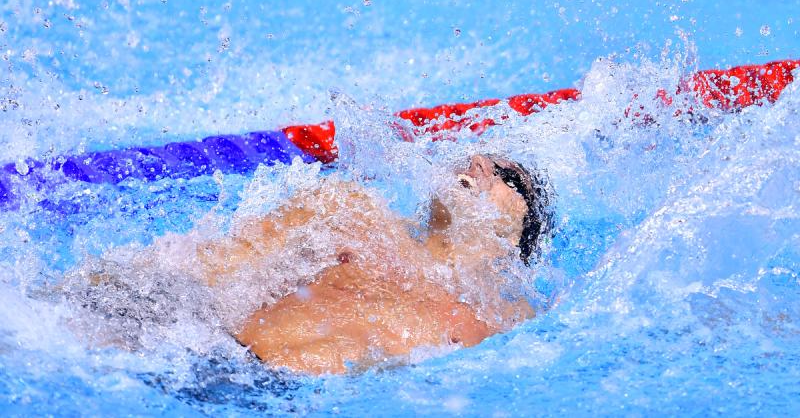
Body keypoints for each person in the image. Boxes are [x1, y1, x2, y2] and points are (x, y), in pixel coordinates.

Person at [68, 154, 555, 375]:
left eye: (505, 174)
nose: (477, 164)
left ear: (518, 236)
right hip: (207, 363)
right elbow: (202, 268)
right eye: (481, 159)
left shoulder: (506, 319)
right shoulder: (352, 214)